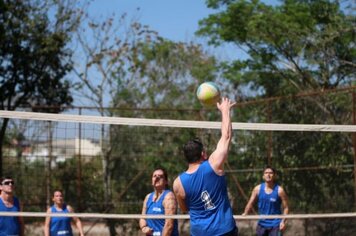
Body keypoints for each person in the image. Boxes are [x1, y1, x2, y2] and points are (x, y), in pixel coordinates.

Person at [173, 97, 238, 236]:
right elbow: (226, 136)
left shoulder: (178, 183)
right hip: (224, 230)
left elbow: (184, 208)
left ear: (186, 157)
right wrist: (225, 110)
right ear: (203, 154)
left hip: (199, 232)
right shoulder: (213, 165)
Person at [242, 166, 289, 236]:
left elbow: (286, 208)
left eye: (271, 173)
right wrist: (245, 213)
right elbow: (250, 203)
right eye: (266, 173)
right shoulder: (257, 189)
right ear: (263, 176)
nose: (268, 175)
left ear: (274, 175)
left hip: (275, 224)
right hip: (262, 224)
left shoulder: (280, 190)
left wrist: (283, 221)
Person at [140, 168, 179, 236]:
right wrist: (144, 227)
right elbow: (142, 218)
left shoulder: (169, 197)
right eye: (154, 176)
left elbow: (169, 225)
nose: (157, 178)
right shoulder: (148, 197)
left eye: (160, 176)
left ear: (166, 181)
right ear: (152, 180)